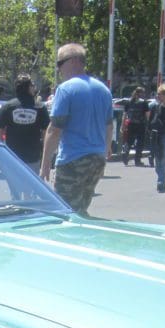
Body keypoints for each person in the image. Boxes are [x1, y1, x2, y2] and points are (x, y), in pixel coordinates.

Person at [39, 43, 113, 216]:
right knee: (81, 209)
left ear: (72, 61)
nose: (59, 69)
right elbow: (109, 126)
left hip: (73, 159)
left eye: (59, 63)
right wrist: (103, 155)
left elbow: (55, 129)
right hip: (95, 159)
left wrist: (45, 164)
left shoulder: (66, 89)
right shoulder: (103, 90)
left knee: (65, 212)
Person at [0, 74, 49, 173]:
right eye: (33, 85)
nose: (34, 88)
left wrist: (1, 153)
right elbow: (47, 134)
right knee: (32, 187)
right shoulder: (40, 107)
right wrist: (46, 157)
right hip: (32, 157)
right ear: (29, 87)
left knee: (14, 188)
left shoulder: (8, 106)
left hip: (12, 157)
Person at [119, 86, 150, 166]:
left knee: (129, 141)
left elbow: (124, 115)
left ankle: (125, 154)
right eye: (143, 93)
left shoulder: (129, 102)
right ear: (141, 93)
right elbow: (147, 115)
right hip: (141, 124)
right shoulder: (144, 102)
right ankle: (137, 160)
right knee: (140, 143)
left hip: (131, 124)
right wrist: (148, 124)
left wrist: (122, 125)